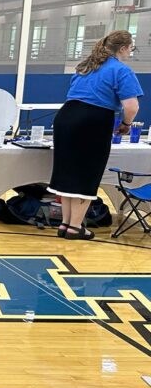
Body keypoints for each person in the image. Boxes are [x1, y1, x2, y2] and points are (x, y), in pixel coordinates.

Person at [49, 30, 142, 240]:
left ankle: (65, 224)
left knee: (67, 172)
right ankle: (75, 227)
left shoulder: (86, 66)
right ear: (123, 48)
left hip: (66, 117)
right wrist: (126, 124)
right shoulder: (121, 70)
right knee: (87, 173)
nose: (130, 53)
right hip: (92, 120)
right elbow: (131, 106)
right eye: (131, 48)